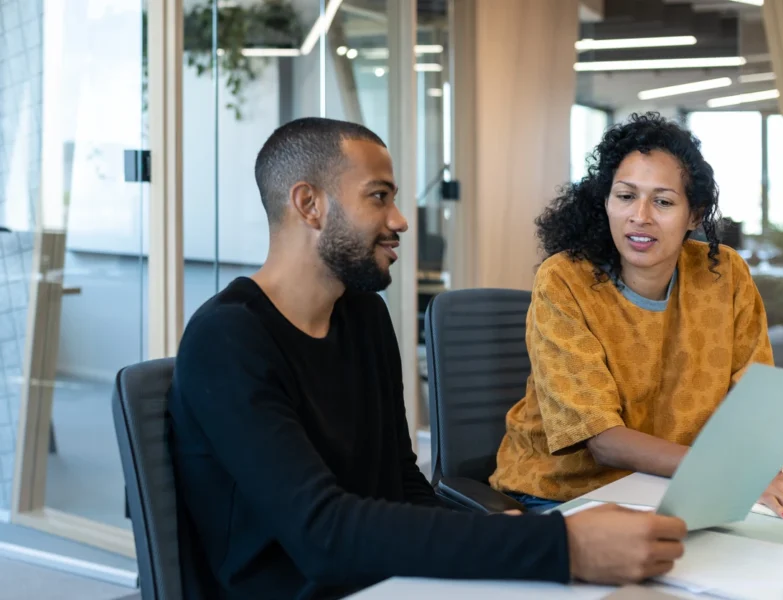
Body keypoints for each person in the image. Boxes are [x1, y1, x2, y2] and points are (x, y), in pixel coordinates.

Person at [167, 117, 688, 600]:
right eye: (378, 197)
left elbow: (401, 485)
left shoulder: (364, 316)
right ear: (309, 205)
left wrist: (507, 530)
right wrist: (561, 544)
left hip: (385, 579)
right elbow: (321, 533)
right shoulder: (228, 339)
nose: (400, 220)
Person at [490, 112, 783, 522]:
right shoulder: (564, 280)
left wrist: (764, 471)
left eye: (663, 201)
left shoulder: (725, 274)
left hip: (677, 485)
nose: (640, 215)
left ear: (694, 215)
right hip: (565, 493)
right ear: (605, 201)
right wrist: (733, 472)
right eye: (625, 196)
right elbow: (603, 441)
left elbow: (754, 401)